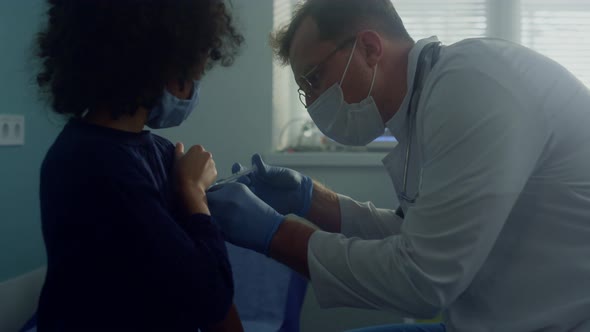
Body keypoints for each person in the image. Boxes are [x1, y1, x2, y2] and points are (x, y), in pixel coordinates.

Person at [205, 0, 590, 331]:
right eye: (304, 92)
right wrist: (311, 200)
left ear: (370, 47)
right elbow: (417, 235)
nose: (313, 101)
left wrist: (275, 234)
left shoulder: (472, 87)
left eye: (315, 78)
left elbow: (422, 279)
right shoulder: (423, 106)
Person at [36, 0, 244, 330]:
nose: (193, 84)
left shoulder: (154, 153)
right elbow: (208, 295)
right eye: (194, 70)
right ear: (167, 65)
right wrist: (194, 192)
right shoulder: (91, 164)